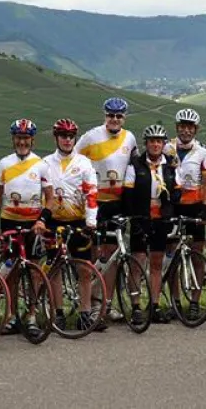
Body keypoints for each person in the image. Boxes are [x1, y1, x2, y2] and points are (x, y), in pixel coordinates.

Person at [0, 119, 54, 337]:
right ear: (13, 139)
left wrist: (42, 220)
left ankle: (32, 316)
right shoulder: (4, 163)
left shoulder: (41, 164)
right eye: (18, 138)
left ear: (32, 140)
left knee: (34, 270)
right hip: (9, 221)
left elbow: (50, 198)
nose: (22, 142)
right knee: (12, 271)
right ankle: (10, 316)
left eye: (26, 138)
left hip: (33, 223)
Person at [74, 97, 136, 320]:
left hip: (117, 205)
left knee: (111, 256)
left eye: (119, 116)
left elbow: (134, 166)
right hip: (94, 204)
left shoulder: (129, 138)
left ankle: (106, 304)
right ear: (105, 116)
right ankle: (88, 303)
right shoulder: (91, 136)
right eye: (111, 115)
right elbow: (73, 161)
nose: (114, 119)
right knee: (93, 255)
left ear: (124, 118)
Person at [42, 118, 104, 331]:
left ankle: (85, 313)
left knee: (84, 269)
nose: (67, 140)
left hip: (79, 222)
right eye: (63, 136)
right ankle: (58, 313)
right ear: (56, 138)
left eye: (70, 137)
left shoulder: (83, 163)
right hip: (53, 222)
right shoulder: (46, 163)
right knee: (55, 269)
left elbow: (91, 194)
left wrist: (91, 222)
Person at [122, 124, 181, 325]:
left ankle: (154, 306)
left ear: (164, 144)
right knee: (137, 263)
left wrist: (171, 198)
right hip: (141, 219)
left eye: (159, 141)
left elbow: (177, 191)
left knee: (156, 264)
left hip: (161, 219)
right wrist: (134, 217)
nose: (155, 145)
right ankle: (136, 307)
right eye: (151, 141)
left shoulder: (170, 165)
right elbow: (128, 195)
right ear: (146, 144)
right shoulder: (135, 164)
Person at [166, 108, 206, 320]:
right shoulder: (167, 147)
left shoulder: (203, 150)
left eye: (190, 127)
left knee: (197, 253)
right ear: (177, 128)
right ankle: (175, 301)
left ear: (196, 129)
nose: (186, 130)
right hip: (172, 206)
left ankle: (194, 301)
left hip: (195, 206)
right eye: (182, 126)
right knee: (172, 254)